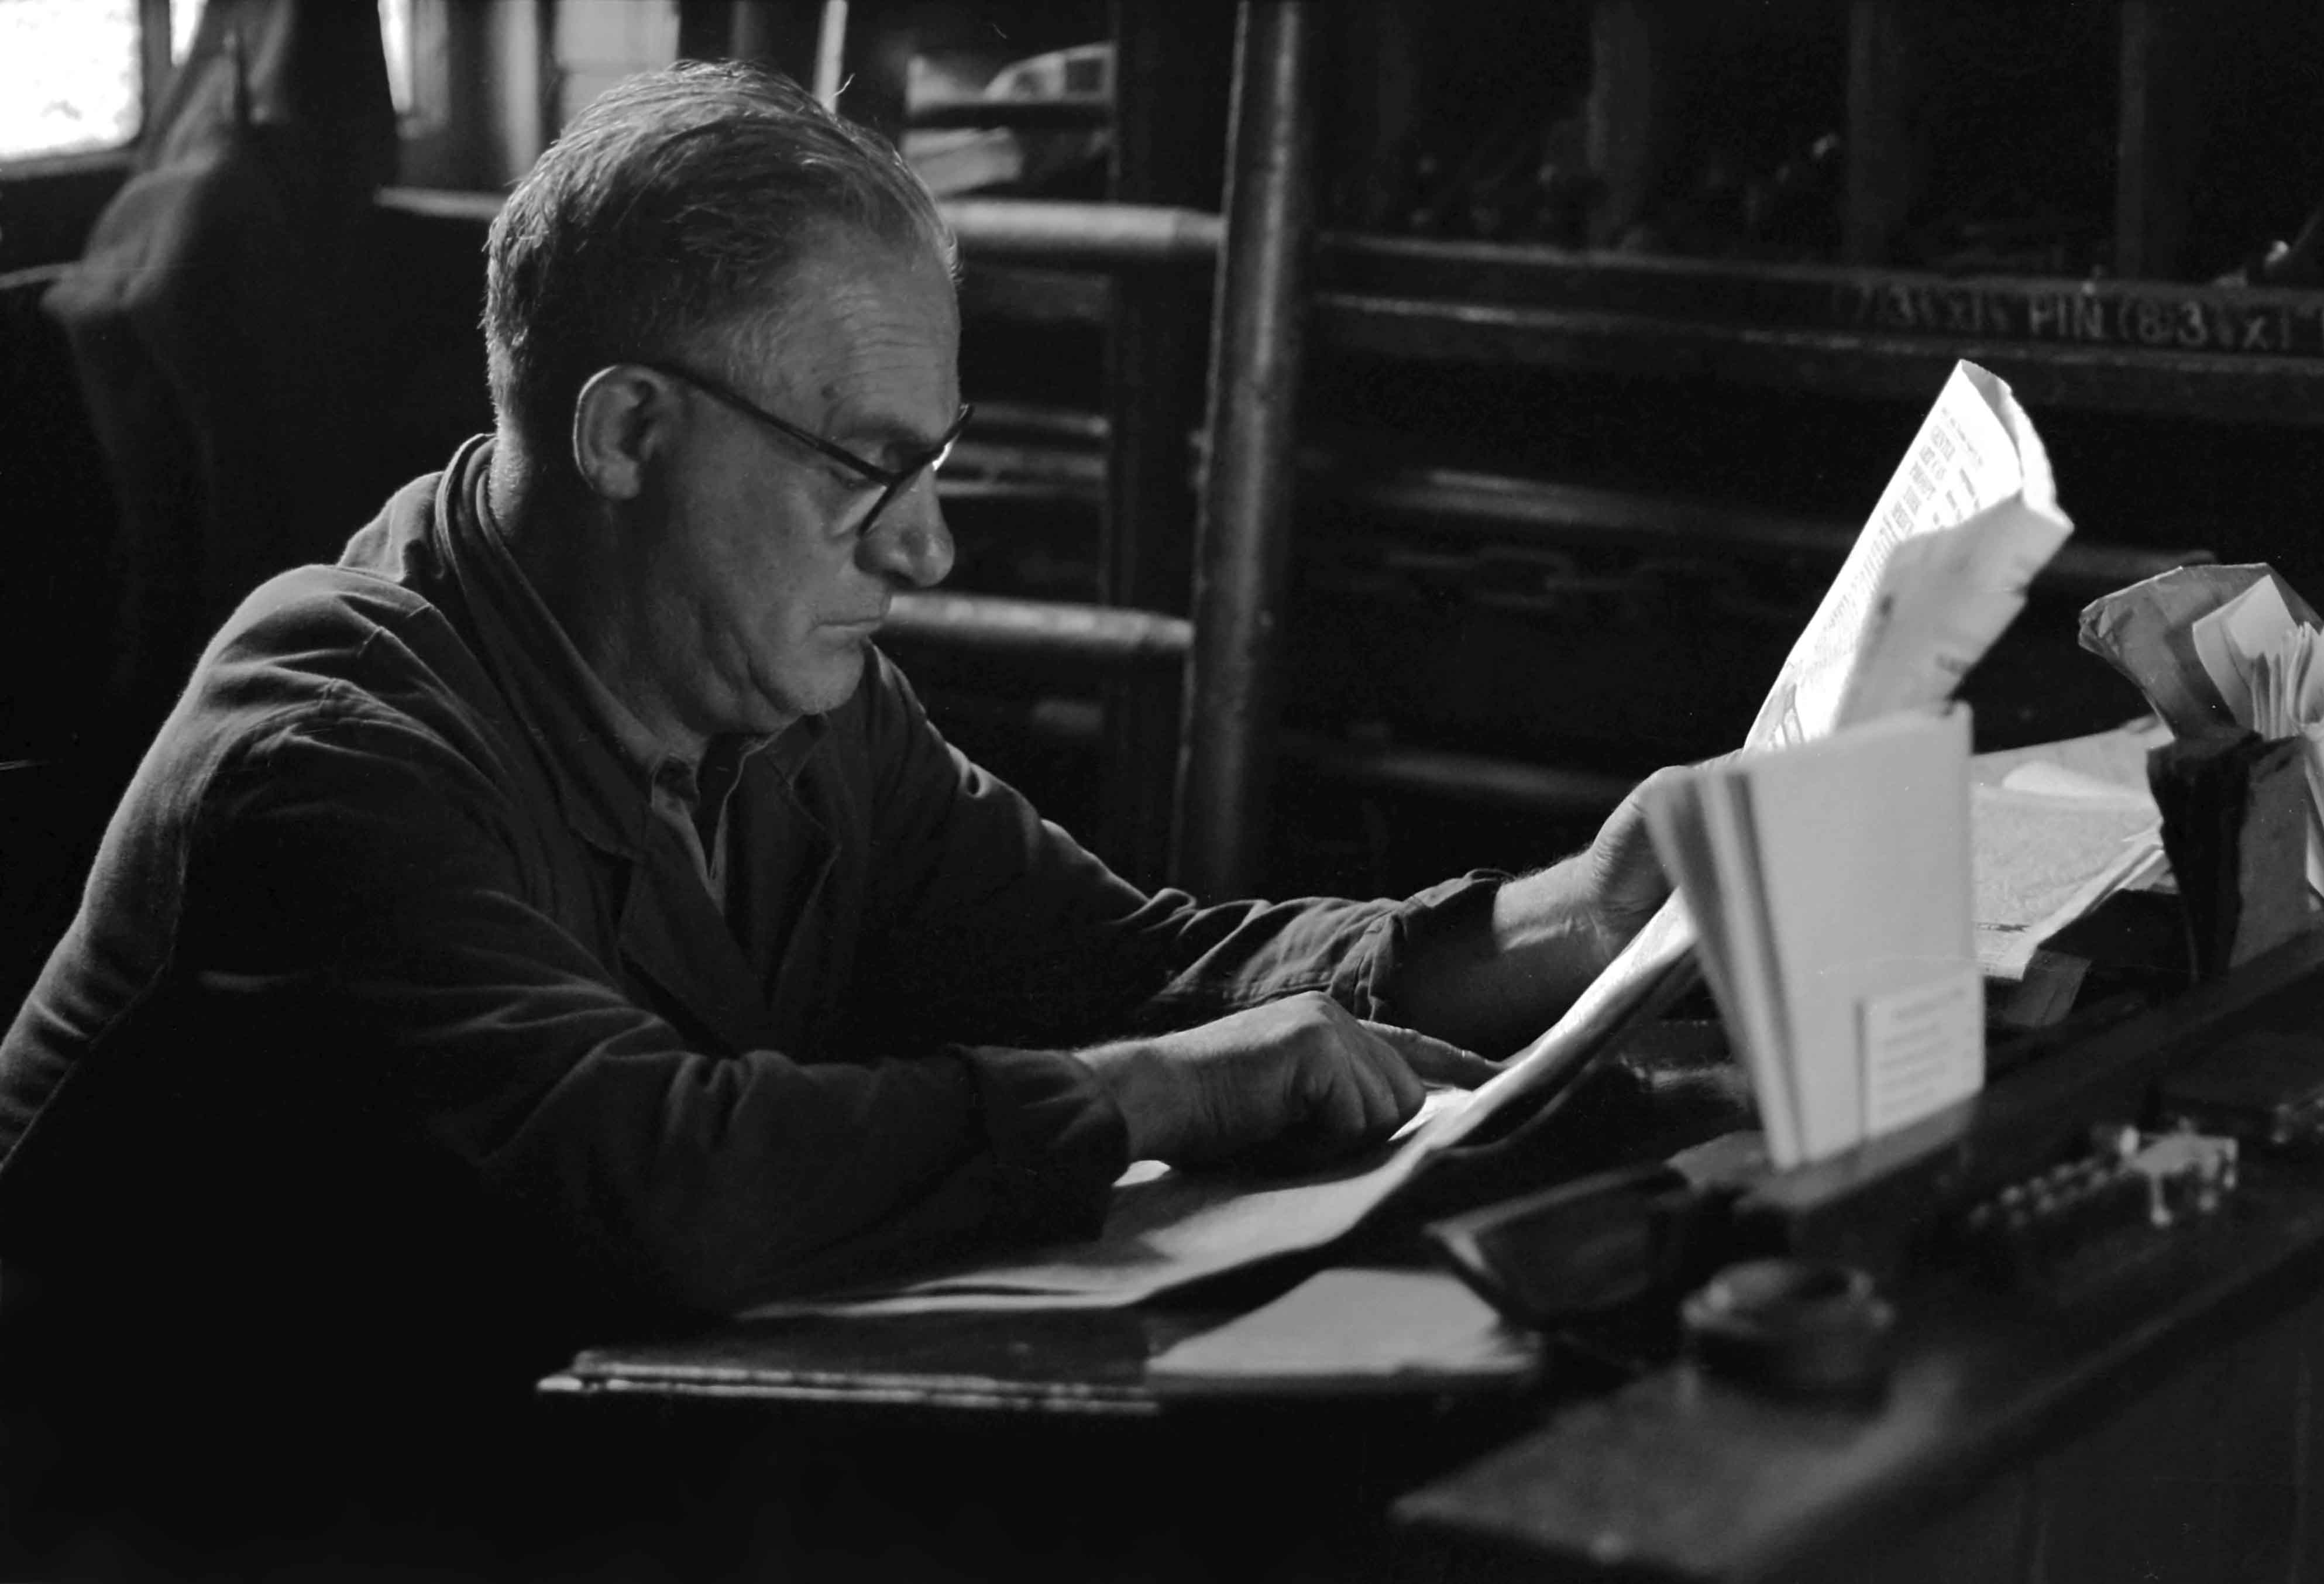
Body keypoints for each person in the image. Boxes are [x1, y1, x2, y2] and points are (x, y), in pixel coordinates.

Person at [0, 61, 1676, 1570]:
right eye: (865, 472)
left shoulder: (787, 701)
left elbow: (1127, 968)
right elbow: (659, 1177)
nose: (925, 553)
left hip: (511, 1474)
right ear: (628, 430)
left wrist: (1581, 921)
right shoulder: (327, 746)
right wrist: (1158, 1090)